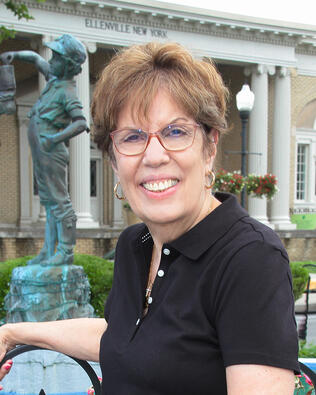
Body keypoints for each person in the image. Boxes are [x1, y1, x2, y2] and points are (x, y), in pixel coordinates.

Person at [0, 42, 299, 394]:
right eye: (132, 137)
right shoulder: (135, 244)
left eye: (175, 131)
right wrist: (12, 333)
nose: (154, 155)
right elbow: (121, 336)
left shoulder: (249, 258)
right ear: (113, 161)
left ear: (210, 146)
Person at [0, 34, 88, 267]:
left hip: (52, 151)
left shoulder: (67, 90)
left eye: (57, 57)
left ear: (68, 64)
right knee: (49, 204)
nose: (52, 59)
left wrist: (55, 138)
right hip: (41, 150)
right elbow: (36, 58)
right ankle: (49, 250)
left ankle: (66, 251)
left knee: (60, 202)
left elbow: (80, 123)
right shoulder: (53, 79)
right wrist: (15, 55)